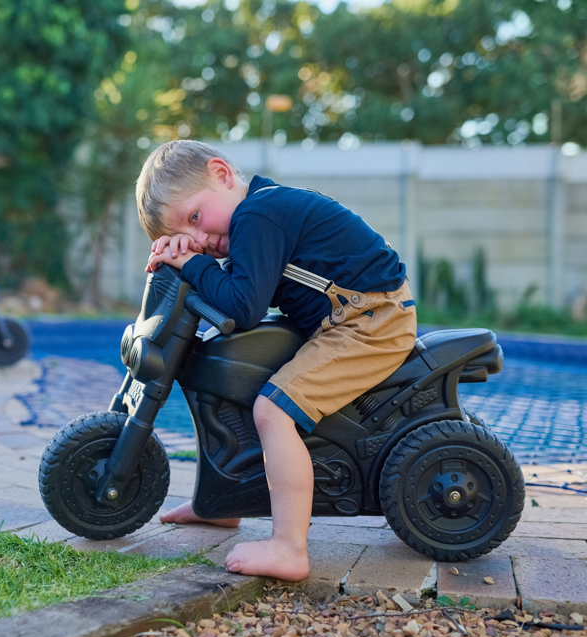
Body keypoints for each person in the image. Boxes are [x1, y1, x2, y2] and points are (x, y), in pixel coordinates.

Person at [136, 140, 417, 580]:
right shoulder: (256, 215)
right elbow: (238, 299)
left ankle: (289, 547)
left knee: (272, 410)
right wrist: (194, 260)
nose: (202, 241)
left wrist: (190, 263)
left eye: (195, 219)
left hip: (371, 320)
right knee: (239, 381)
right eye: (190, 239)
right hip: (347, 319)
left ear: (221, 174)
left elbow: (243, 307)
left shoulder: (258, 214)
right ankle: (223, 502)